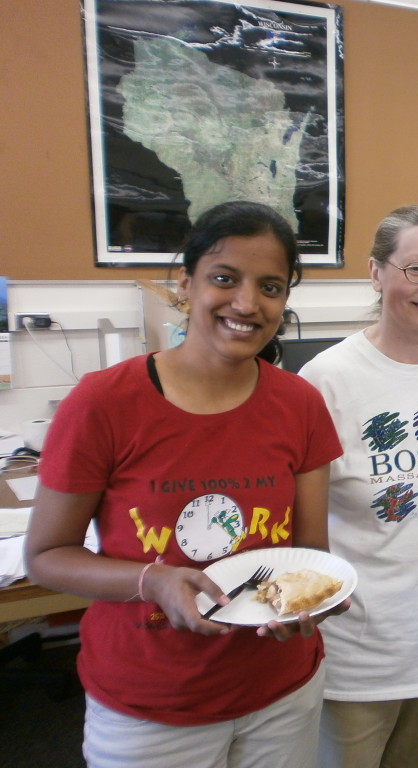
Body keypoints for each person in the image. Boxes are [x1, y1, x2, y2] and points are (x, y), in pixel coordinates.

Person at [24, 201, 345, 768]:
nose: (247, 304)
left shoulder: (300, 404)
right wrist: (153, 582)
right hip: (151, 707)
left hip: (282, 690)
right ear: (185, 283)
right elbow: (48, 556)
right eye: (224, 279)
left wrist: (319, 599)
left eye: (270, 286)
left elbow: (311, 552)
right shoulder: (103, 404)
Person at [299, 205, 418, 768]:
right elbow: (300, 526)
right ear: (376, 273)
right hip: (358, 647)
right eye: (416, 269)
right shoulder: (327, 380)